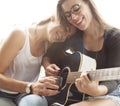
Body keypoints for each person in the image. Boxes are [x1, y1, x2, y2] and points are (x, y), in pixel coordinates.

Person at [43, 0, 120, 106]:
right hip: (77, 95)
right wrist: (48, 65)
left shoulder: (115, 37)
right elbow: (49, 55)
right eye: (68, 15)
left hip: (110, 95)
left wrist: (96, 91)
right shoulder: (73, 36)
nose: (74, 18)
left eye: (76, 9)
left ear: (88, 4)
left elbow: (114, 80)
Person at [0, 13, 75, 106]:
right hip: (3, 93)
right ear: (55, 17)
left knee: (36, 102)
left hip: (26, 94)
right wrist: (30, 87)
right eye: (66, 29)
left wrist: (46, 64)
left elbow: (44, 57)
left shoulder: (49, 43)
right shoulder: (19, 34)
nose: (63, 38)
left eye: (67, 37)